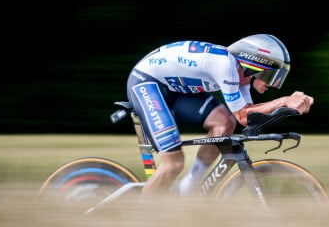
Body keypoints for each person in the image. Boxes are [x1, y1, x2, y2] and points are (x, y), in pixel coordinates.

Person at [126, 34, 314, 196]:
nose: (272, 84)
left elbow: (248, 114)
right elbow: (243, 115)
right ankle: (141, 218)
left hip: (174, 89)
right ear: (253, 65)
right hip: (146, 82)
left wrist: (288, 108)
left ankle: (187, 189)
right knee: (173, 164)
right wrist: (284, 101)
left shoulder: (242, 75)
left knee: (224, 123)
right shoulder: (225, 65)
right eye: (270, 76)